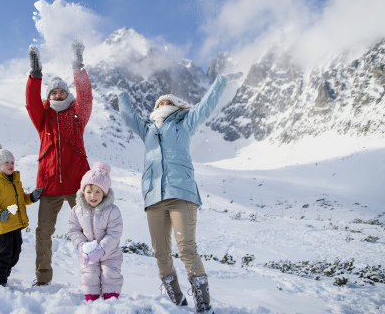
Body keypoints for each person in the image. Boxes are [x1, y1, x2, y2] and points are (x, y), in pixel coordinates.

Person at [118, 72, 243, 313]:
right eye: (159, 102)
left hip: (181, 194)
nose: (163, 103)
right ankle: (177, 302)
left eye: (168, 101)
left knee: (186, 248)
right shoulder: (147, 129)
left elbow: (206, 105)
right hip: (154, 198)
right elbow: (126, 115)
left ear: (177, 106)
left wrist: (221, 81)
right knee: (161, 253)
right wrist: (121, 93)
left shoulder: (185, 122)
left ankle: (204, 305)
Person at [25, 41, 93, 286]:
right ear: (49, 96)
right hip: (49, 186)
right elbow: (31, 102)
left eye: (61, 92)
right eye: (53, 92)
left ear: (67, 93)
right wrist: (35, 75)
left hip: (77, 186)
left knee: (89, 232)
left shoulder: (77, 116)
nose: (57, 95)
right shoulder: (43, 119)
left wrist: (78, 66)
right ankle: (43, 279)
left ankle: (93, 278)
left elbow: (85, 96)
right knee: (43, 232)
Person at [0, 142, 44, 286]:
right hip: (3, 226)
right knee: (4, 254)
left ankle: (4, 275)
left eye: (12, 162)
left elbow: (22, 200)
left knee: (15, 254)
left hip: (15, 225)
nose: (11, 165)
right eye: (6, 162)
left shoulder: (15, 182)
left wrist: (32, 197)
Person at [68, 162, 123, 302]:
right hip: (88, 254)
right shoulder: (77, 210)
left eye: (98, 191)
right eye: (89, 192)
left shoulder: (112, 210)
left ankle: (111, 301)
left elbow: (114, 233)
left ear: (104, 193)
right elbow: (74, 230)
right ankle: (91, 300)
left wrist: (102, 249)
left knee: (110, 275)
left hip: (110, 254)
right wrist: (82, 246)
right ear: (83, 192)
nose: (93, 195)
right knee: (89, 276)